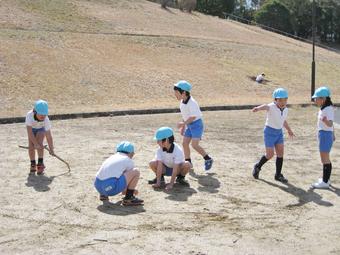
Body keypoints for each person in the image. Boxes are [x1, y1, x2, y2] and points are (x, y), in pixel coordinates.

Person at [252, 88, 294, 183]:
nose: (283, 102)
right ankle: (258, 166)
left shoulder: (286, 109)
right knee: (270, 154)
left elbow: (283, 120)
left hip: (279, 133)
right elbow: (265, 106)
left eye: (285, 100)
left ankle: (278, 175)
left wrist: (289, 130)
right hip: (269, 132)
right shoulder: (272, 106)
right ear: (275, 100)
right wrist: (258, 108)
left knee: (280, 154)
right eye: (280, 100)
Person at [173, 80, 213, 171]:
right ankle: (188, 162)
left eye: (176, 93)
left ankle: (208, 159)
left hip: (196, 125)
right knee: (184, 143)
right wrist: (184, 127)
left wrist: (183, 124)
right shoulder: (182, 102)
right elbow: (185, 116)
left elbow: (193, 117)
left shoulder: (192, 102)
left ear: (183, 92)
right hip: (189, 125)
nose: (175, 95)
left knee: (194, 145)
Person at [94, 141, 143, 205]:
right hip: (110, 188)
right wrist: (130, 191)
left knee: (112, 174)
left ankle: (103, 195)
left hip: (98, 186)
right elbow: (127, 178)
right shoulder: (127, 160)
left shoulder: (112, 157)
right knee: (136, 172)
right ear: (131, 153)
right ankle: (129, 198)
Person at [311, 87, 335, 189]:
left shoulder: (328, 109)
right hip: (324, 134)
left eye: (317, 98)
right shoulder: (325, 108)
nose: (315, 100)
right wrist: (333, 133)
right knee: (325, 158)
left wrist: (325, 121)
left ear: (323, 99)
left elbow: (330, 123)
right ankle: (326, 179)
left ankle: (325, 182)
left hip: (325, 135)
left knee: (324, 159)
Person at [25, 99, 55, 175]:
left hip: (41, 130)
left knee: (40, 144)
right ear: (35, 111)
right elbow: (29, 132)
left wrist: (51, 148)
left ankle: (40, 163)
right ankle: (32, 163)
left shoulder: (46, 119)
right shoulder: (29, 115)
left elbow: (48, 136)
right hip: (31, 130)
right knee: (31, 146)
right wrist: (34, 143)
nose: (43, 116)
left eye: (44, 114)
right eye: (41, 114)